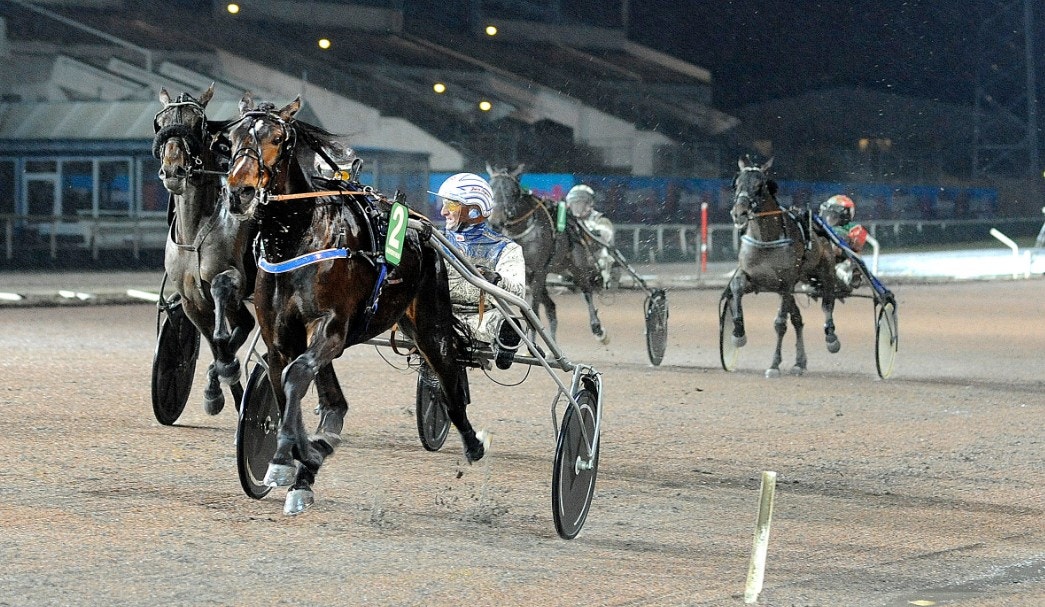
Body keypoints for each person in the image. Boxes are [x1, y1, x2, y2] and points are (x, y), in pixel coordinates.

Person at [433, 172, 526, 369]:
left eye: (450, 206)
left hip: (481, 319)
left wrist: (496, 278)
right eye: (443, 205)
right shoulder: (434, 239)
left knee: (503, 322)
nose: (443, 212)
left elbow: (518, 290)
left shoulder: (506, 248)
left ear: (473, 210)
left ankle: (505, 339)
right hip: (438, 313)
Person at [565, 184, 618, 287]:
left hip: (595, 259)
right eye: (574, 203)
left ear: (589, 204)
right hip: (575, 259)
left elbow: (605, 236)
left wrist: (589, 234)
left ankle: (606, 280)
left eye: (580, 203)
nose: (577, 206)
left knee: (605, 258)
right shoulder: (568, 221)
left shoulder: (599, 219)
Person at [818, 194, 869, 287]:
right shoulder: (821, 226)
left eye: (833, 216)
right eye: (829, 215)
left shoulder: (854, 227)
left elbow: (856, 245)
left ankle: (849, 275)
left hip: (842, 260)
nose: (829, 218)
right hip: (822, 258)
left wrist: (841, 235)